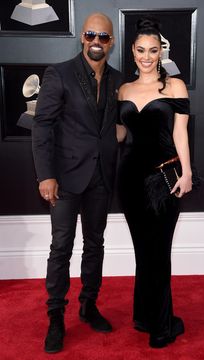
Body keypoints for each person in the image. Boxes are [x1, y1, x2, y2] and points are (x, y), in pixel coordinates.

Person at [32, 12, 123, 353]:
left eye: (103, 37)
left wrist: (120, 134)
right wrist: (46, 175)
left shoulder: (117, 80)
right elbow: (42, 126)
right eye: (90, 35)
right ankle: (56, 316)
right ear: (82, 38)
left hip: (101, 176)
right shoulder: (59, 73)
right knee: (61, 247)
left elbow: (114, 125)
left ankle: (88, 305)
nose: (96, 41)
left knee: (95, 245)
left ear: (111, 42)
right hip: (65, 177)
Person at [116, 18, 193, 348]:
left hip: (164, 178)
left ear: (161, 51)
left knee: (159, 252)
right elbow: (120, 134)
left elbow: (180, 132)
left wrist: (187, 173)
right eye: (141, 50)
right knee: (143, 251)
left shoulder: (174, 86)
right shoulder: (123, 90)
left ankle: (162, 325)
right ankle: (146, 316)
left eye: (153, 50)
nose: (147, 56)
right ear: (132, 51)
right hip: (130, 179)